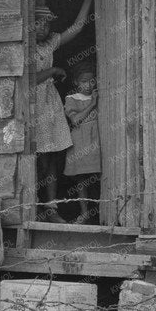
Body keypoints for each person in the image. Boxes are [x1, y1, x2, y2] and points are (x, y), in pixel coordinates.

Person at [30, 0, 92, 218]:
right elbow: (28, 79)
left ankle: (51, 206)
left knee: (52, 157)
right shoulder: (22, 46)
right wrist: (53, 70)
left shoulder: (48, 44)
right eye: (37, 22)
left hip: (49, 104)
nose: (42, 28)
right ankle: (31, 205)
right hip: (32, 106)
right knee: (35, 158)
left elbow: (76, 28)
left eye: (46, 23)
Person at [62, 65, 101, 223]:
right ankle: (84, 213)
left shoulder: (98, 95)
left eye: (92, 81)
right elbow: (76, 120)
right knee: (81, 179)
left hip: (96, 139)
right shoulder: (71, 99)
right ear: (76, 82)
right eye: (84, 81)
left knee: (98, 177)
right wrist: (92, 104)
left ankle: (101, 212)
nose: (89, 84)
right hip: (80, 141)